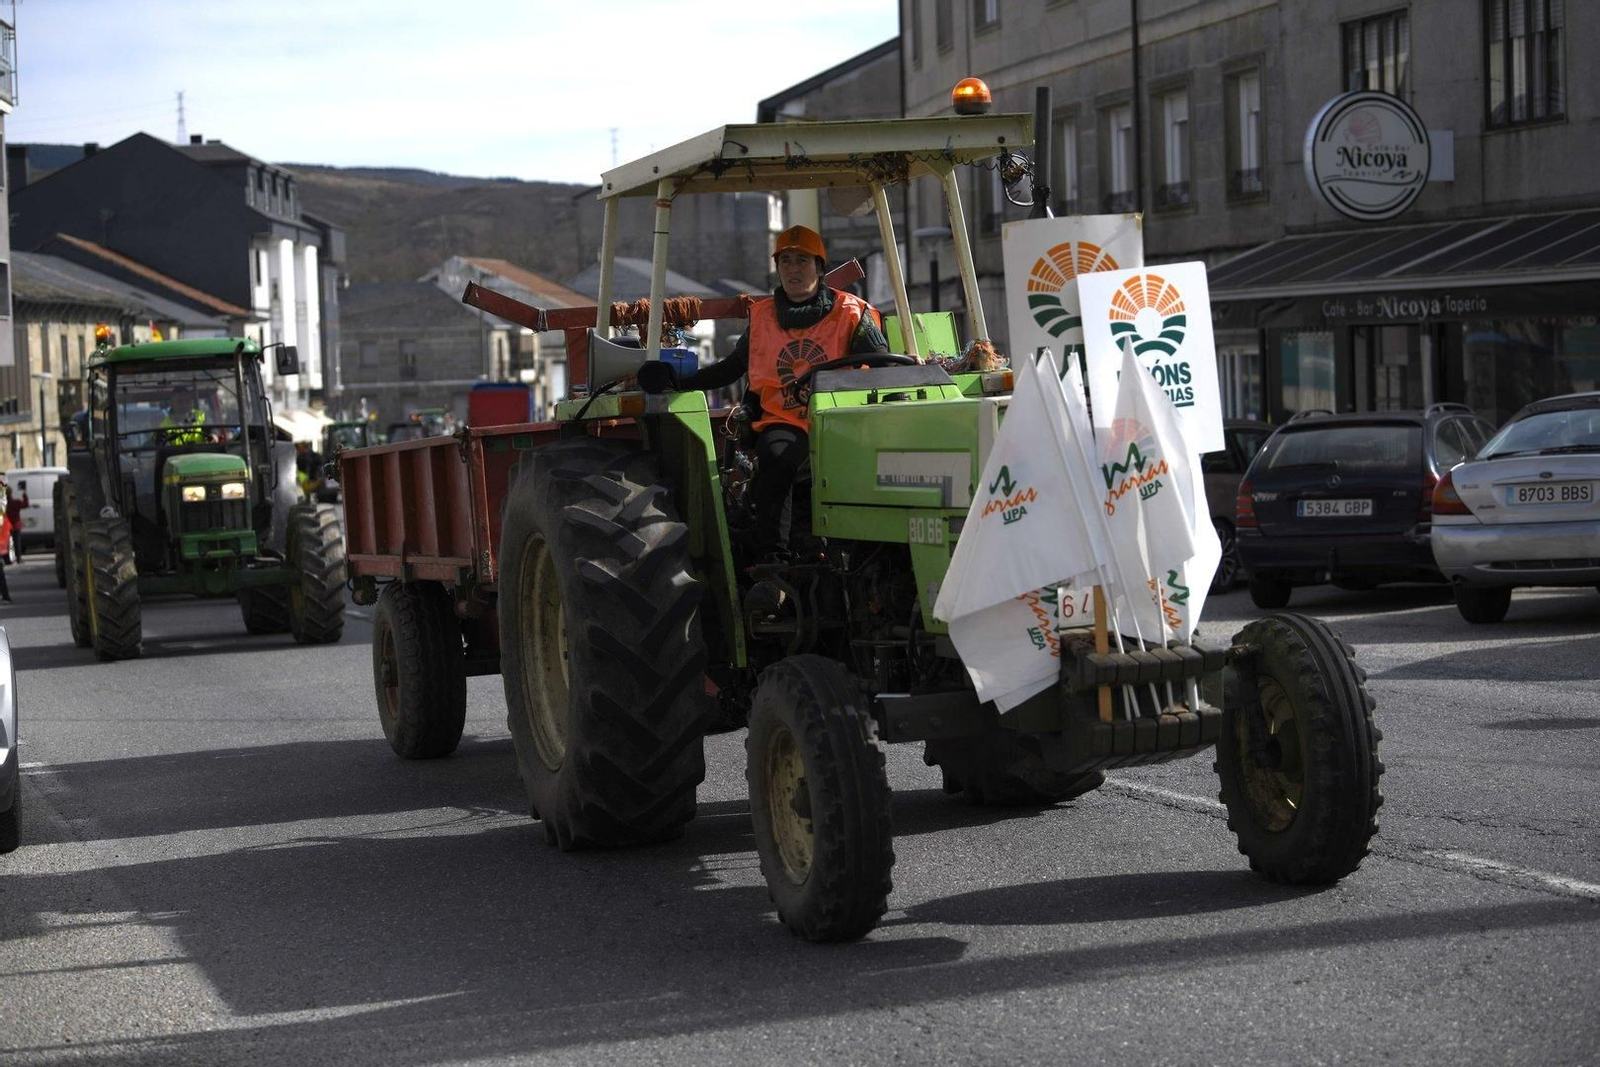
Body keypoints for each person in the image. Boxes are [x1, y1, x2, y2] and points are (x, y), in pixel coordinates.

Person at [639, 225, 890, 560]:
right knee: (777, 455)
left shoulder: (851, 313)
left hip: (842, 420)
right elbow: (730, 368)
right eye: (785, 261)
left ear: (820, 267)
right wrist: (677, 381)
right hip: (786, 421)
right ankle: (774, 562)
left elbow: (884, 366)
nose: (793, 269)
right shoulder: (763, 317)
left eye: (802, 260)